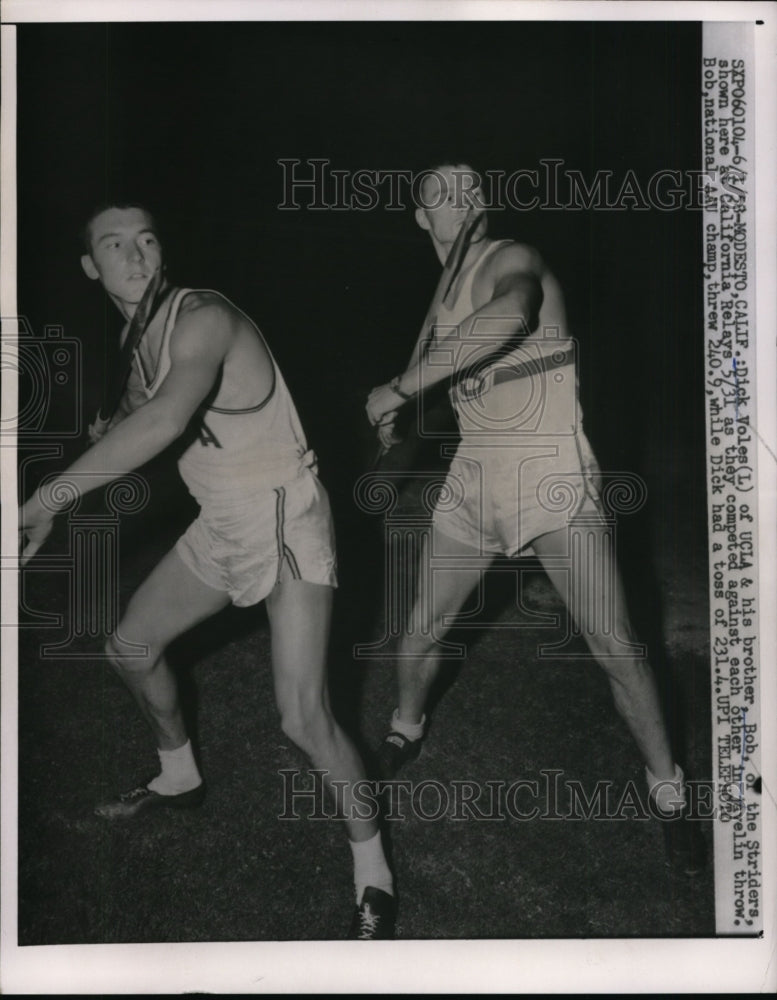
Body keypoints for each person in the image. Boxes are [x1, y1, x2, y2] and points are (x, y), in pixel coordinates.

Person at [19, 202, 395, 938]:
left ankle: (374, 872)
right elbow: (139, 409)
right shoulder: (140, 341)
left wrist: (48, 497)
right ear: (91, 266)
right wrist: (105, 430)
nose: (136, 254)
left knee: (302, 716)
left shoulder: (204, 316)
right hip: (221, 523)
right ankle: (179, 775)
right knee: (129, 648)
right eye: (114, 244)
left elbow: (162, 420)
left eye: (147, 237)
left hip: (285, 515)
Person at [365, 163, 704, 876]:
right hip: (475, 471)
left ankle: (668, 792)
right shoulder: (443, 291)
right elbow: (458, 369)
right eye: (440, 197)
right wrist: (408, 408)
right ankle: (405, 726)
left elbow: (511, 313)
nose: (461, 202)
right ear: (422, 220)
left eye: (468, 191)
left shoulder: (508, 256)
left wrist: (399, 385)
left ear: (483, 203)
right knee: (422, 628)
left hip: (550, 473)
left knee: (616, 645)